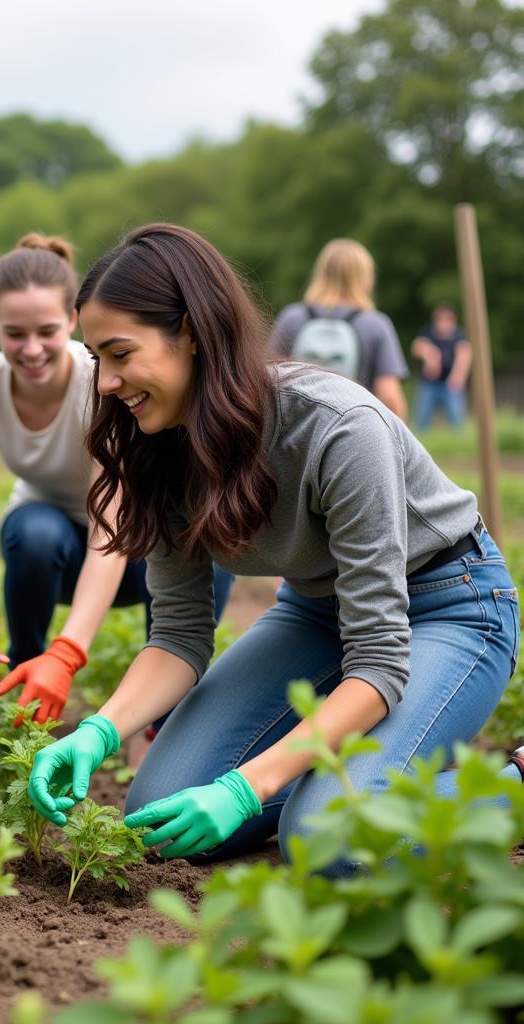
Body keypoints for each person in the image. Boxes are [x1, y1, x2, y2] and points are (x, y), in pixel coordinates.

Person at [28, 223, 520, 873]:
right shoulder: (157, 445)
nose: (108, 384)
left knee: (328, 842)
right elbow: (178, 635)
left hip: (447, 607)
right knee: (162, 807)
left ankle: (510, 786)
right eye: (98, 359)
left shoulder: (335, 428)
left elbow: (377, 658)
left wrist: (246, 785)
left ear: (194, 336)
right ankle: (342, 782)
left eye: (121, 354)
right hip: (317, 612)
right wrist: (101, 729)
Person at [0, 233, 232, 725]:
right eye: (14, 333)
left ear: (73, 320)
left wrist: (70, 652)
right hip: (53, 552)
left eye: (47, 331)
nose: (31, 349)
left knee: (205, 547)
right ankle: (23, 683)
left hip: (131, 547)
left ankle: (167, 718)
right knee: (32, 528)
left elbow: (109, 528)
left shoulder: (98, 382)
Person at [268, 239, 409, 421]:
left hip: (299, 429)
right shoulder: (375, 324)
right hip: (355, 429)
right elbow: (389, 397)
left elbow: (270, 380)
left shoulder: (292, 317)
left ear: (321, 273)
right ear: (366, 277)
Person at [411, 303, 472, 430]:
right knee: (422, 419)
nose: (443, 323)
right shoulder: (428, 333)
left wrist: (457, 375)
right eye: (440, 320)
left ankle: (458, 444)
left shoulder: (459, 336)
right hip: (429, 383)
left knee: (456, 419)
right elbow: (416, 348)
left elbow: (464, 356)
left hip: (450, 383)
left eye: (447, 320)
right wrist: (430, 353)